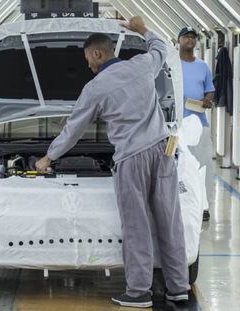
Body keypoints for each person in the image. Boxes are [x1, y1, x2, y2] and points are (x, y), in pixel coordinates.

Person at [36, 16, 189, 308]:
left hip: (132, 159)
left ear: (97, 53)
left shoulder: (96, 88)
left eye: (87, 59)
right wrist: (142, 28)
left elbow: (73, 130)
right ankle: (178, 287)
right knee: (170, 221)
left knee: (137, 226)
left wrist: (48, 157)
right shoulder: (143, 65)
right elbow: (161, 47)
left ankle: (139, 292)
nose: (87, 66)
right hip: (164, 151)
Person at [179, 27, 216, 221]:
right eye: (186, 37)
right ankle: (180, 203)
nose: (190, 40)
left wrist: (208, 99)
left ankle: (204, 206)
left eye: (193, 38)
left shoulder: (203, 67)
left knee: (204, 166)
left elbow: (210, 90)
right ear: (179, 40)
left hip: (199, 123)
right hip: (175, 125)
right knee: (177, 167)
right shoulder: (171, 65)